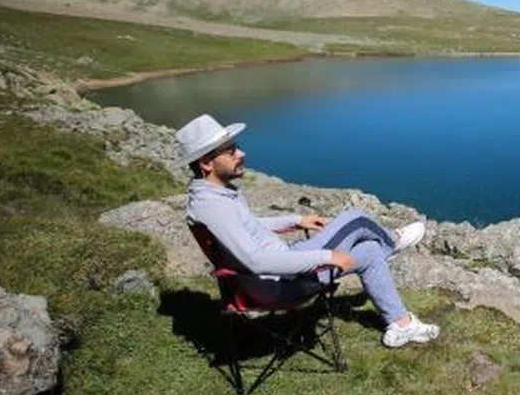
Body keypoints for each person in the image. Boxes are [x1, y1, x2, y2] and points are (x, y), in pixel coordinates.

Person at [175, 113, 440, 348]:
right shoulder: (214, 207)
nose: (241, 154)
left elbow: (250, 228)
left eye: (236, 147)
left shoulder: (214, 195)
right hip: (282, 283)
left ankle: (402, 325)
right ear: (206, 164)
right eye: (230, 152)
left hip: (278, 271)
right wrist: (326, 257)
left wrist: (297, 220)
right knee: (356, 219)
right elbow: (256, 260)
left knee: (369, 251)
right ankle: (392, 243)